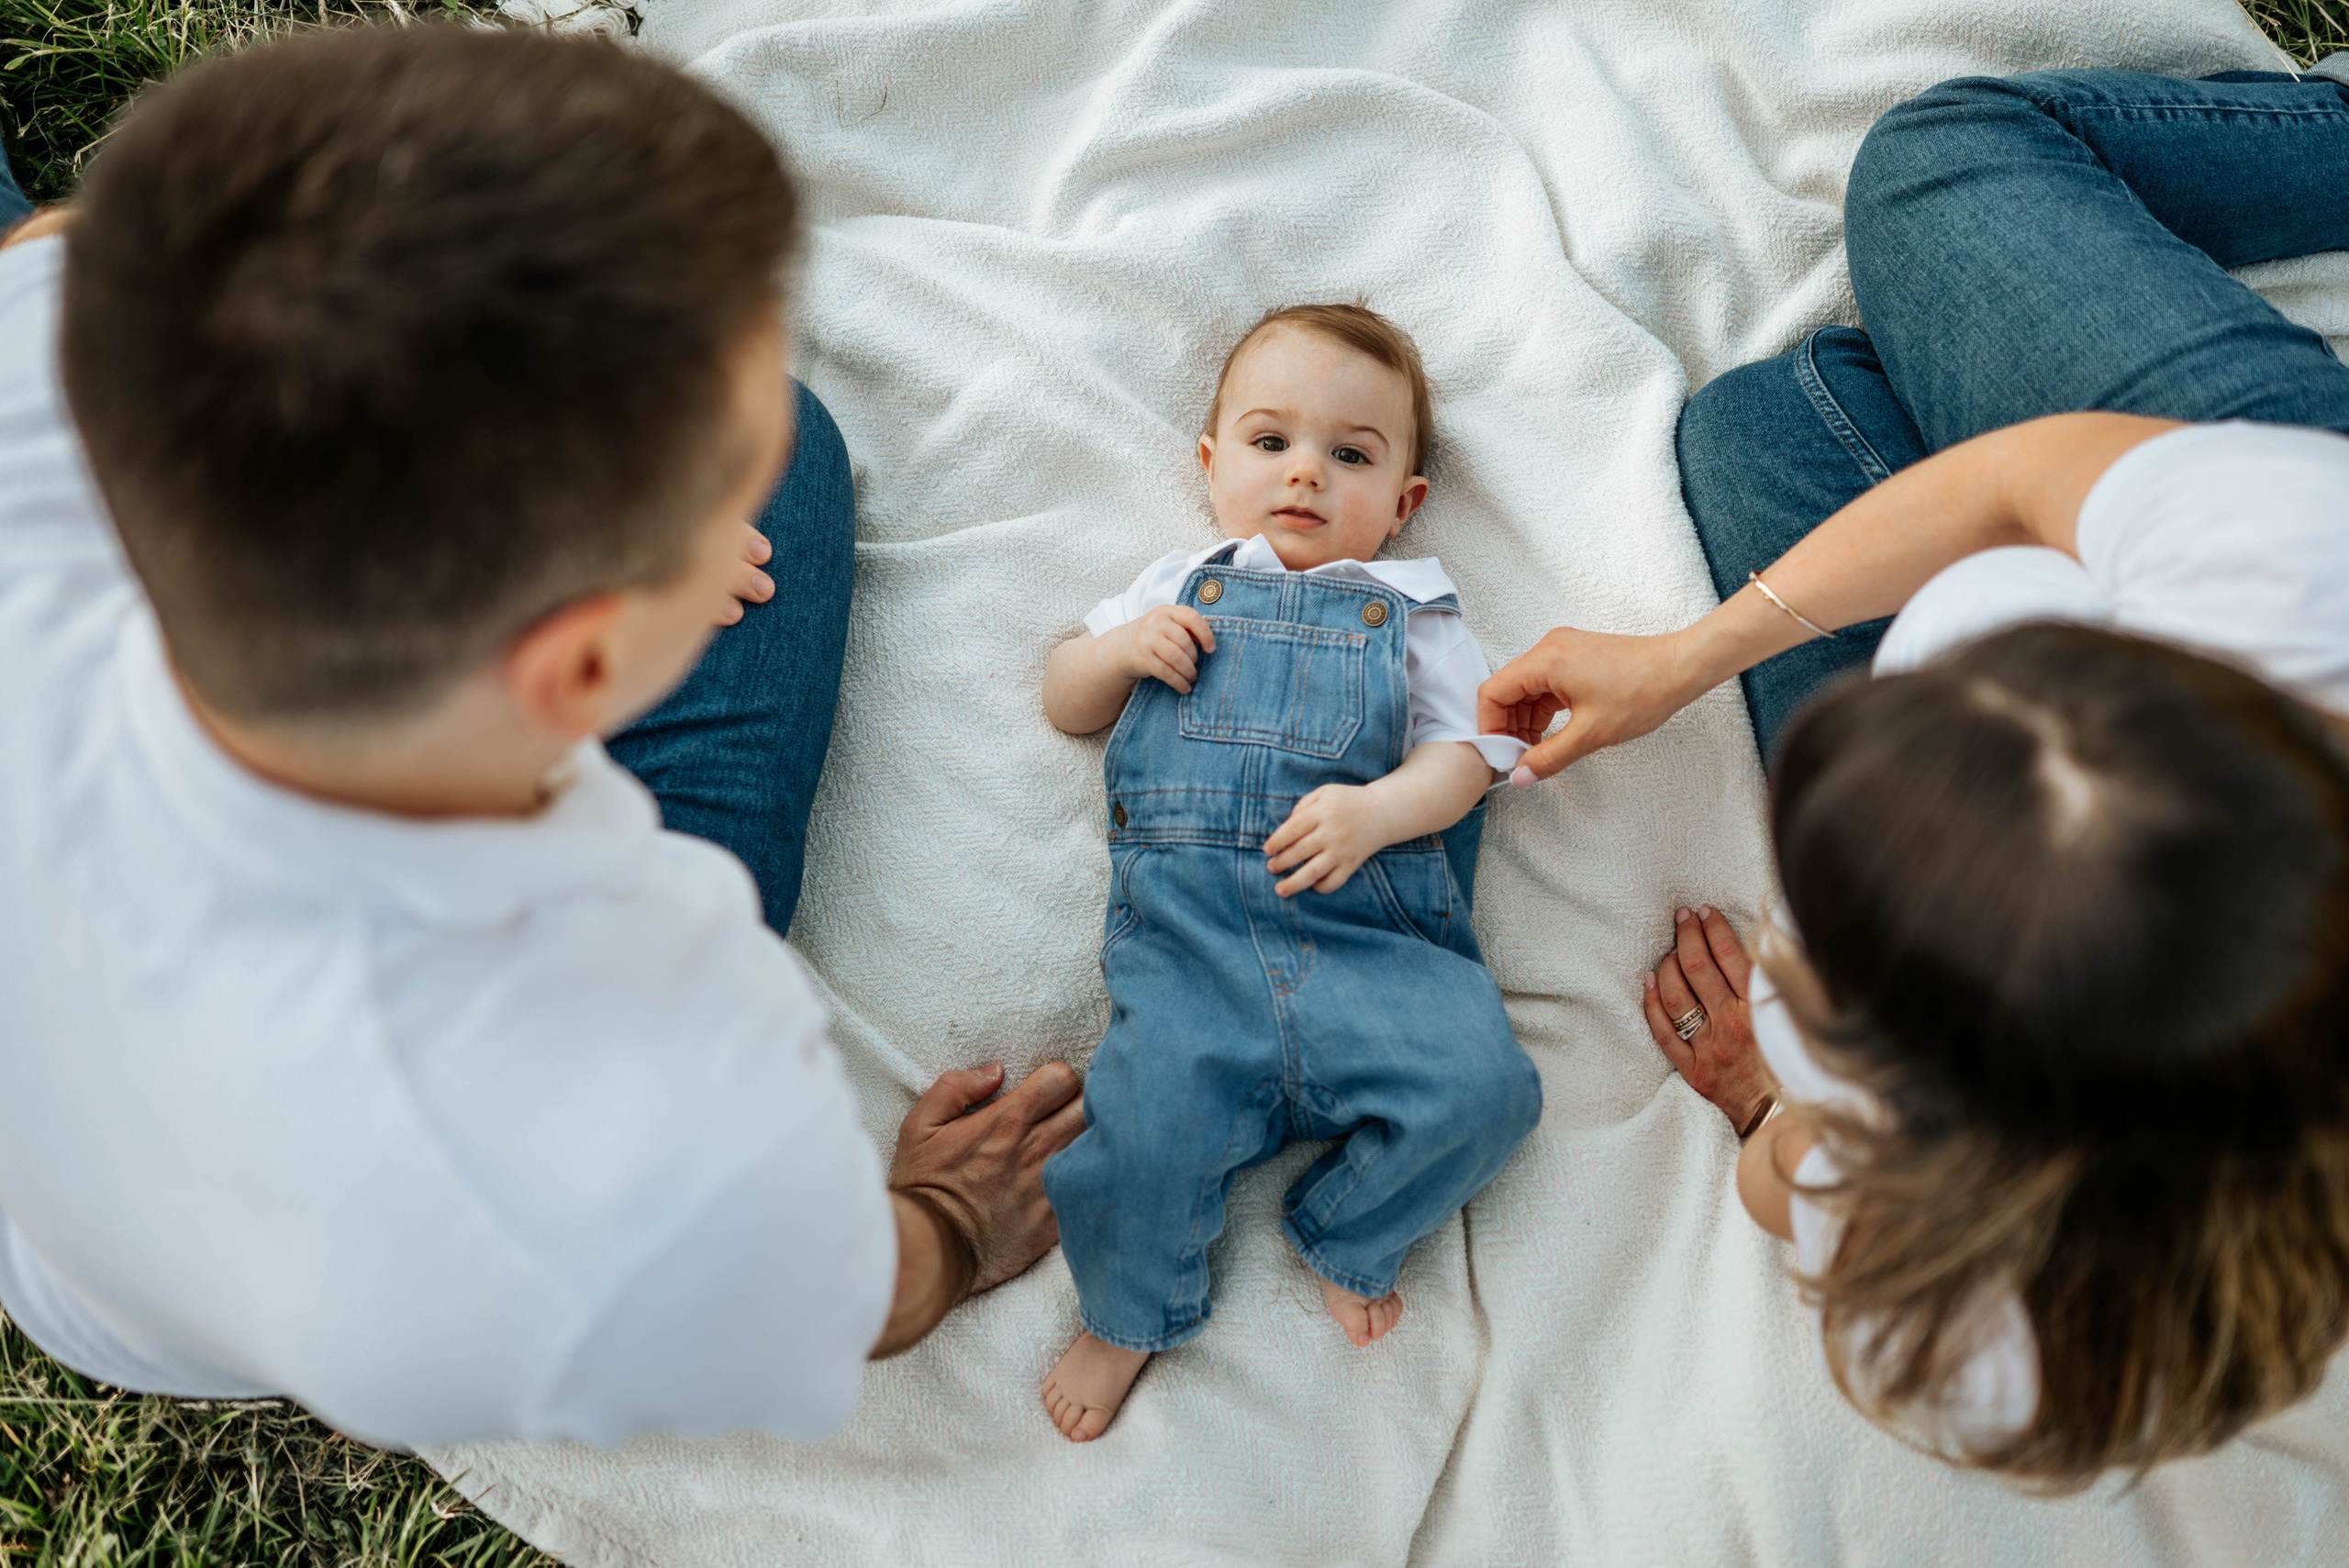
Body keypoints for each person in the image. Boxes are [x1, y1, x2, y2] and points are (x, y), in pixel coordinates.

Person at [0, 27, 1082, 1450]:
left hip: (98, 1107)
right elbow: (814, 1296)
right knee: (802, 465)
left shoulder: (54, 361)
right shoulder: (585, 1119)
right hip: (235, 1257)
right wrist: (945, 1218)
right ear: (579, 662)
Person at [1480, 66, 2349, 1481]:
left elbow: (1792, 1179)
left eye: (1815, 950)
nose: (1784, 962)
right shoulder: (2292, 560)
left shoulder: (1948, 1278)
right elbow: (2020, 488)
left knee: (1782, 405)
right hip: (2273, 501)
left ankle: (1959, 349)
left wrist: (1772, 1111)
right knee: (1869, 271)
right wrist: (1690, 659)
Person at [1033, 306, 1541, 1440]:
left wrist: (1377, 810)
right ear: (1211, 464)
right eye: (1270, 443)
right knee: (1139, 1135)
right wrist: (1116, 654)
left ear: (1403, 501)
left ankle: (1350, 1228)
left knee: (1490, 1091)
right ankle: (1127, 1312)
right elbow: (1067, 697)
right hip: (1193, 958)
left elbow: (1468, 761)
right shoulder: (1175, 584)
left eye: (1350, 454)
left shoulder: (1413, 615)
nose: (1304, 473)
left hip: (1373, 946)